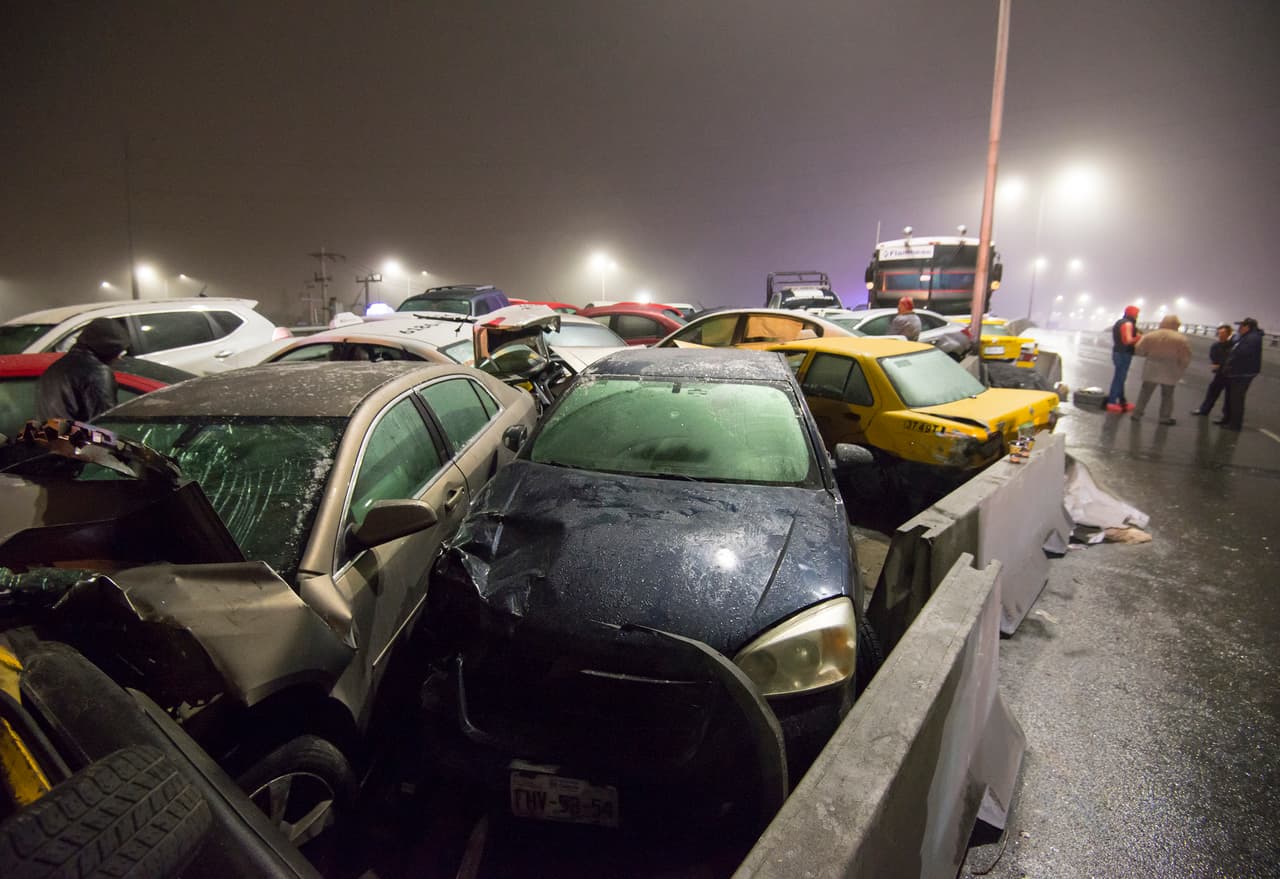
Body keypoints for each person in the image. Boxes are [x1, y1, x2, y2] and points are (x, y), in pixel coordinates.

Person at [35, 317, 130, 423]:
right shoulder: (97, 372)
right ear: (108, 349)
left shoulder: (53, 369)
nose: (120, 357)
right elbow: (105, 422)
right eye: (119, 352)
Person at [1131, 314, 1191, 424]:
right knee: (1167, 396)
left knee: (1145, 393)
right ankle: (1164, 418)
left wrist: (1148, 355)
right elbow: (1185, 358)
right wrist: (1181, 369)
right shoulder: (1181, 339)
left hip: (1151, 369)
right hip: (1170, 370)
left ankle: (1136, 414)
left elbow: (1138, 350)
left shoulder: (1151, 335)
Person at [1217, 317, 1262, 431]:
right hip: (1238, 372)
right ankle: (1228, 420)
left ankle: (1235, 425)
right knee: (1232, 397)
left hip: (1243, 373)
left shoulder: (1252, 338)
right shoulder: (1246, 336)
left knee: (1237, 399)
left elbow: (1241, 353)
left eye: (1241, 326)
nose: (1239, 328)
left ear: (1248, 327)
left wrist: (1230, 359)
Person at [1191, 324, 1233, 416]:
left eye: (1223, 333)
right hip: (1220, 373)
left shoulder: (1233, 346)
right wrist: (1216, 364)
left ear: (1228, 334)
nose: (1221, 335)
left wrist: (1221, 364)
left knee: (1229, 396)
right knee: (1212, 392)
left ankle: (1227, 416)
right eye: (1219, 333)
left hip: (1230, 374)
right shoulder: (1216, 345)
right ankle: (1204, 410)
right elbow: (1213, 357)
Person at [1106, 305, 1142, 413]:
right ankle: (1111, 402)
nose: (1137, 316)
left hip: (1118, 352)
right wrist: (1139, 338)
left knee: (1120, 377)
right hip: (1124, 353)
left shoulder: (1120, 322)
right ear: (1133, 314)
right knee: (1119, 378)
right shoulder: (1128, 324)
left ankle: (1122, 401)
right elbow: (1127, 340)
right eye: (1136, 313)